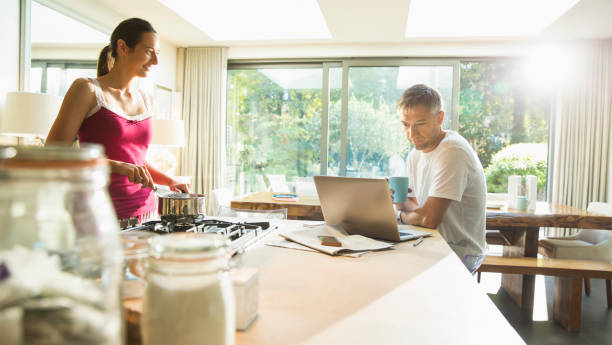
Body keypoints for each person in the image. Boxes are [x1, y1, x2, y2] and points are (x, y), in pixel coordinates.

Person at [46, 18, 189, 227]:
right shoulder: (87, 90)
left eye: (157, 53)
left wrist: (168, 180)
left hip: (147, 213)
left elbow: (135, 161)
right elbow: (53, 153)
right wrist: (117, 166)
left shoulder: (147, 99)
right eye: (149, 51)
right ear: (122, 47)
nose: (155, 62)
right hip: (101, 214)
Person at [393, 84, 487, 273]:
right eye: (405, 125)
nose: (412, 134)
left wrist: (400, 217)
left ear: (440, 118)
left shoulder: (452, 150)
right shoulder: (415, 155)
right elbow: (419, 211)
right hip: (432, 243)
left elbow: (428, 219)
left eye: (420, 124)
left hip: (461, 253)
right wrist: (400, 203)